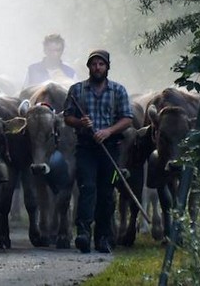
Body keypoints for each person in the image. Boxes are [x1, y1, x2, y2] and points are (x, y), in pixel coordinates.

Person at [63, 48, 132, 255]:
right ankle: (83, 232)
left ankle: (103, 236)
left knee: (106, 192)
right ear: (89, 67)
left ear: (107, 67)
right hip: (86, 148)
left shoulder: (118, 91)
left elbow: (127, 119)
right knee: (87, 188)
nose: (97, 67)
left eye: (101, 64)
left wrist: (108, 131)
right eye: (94, 64)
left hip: (110, 149)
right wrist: (80, 123)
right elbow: (67, 117)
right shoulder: (77, 91)